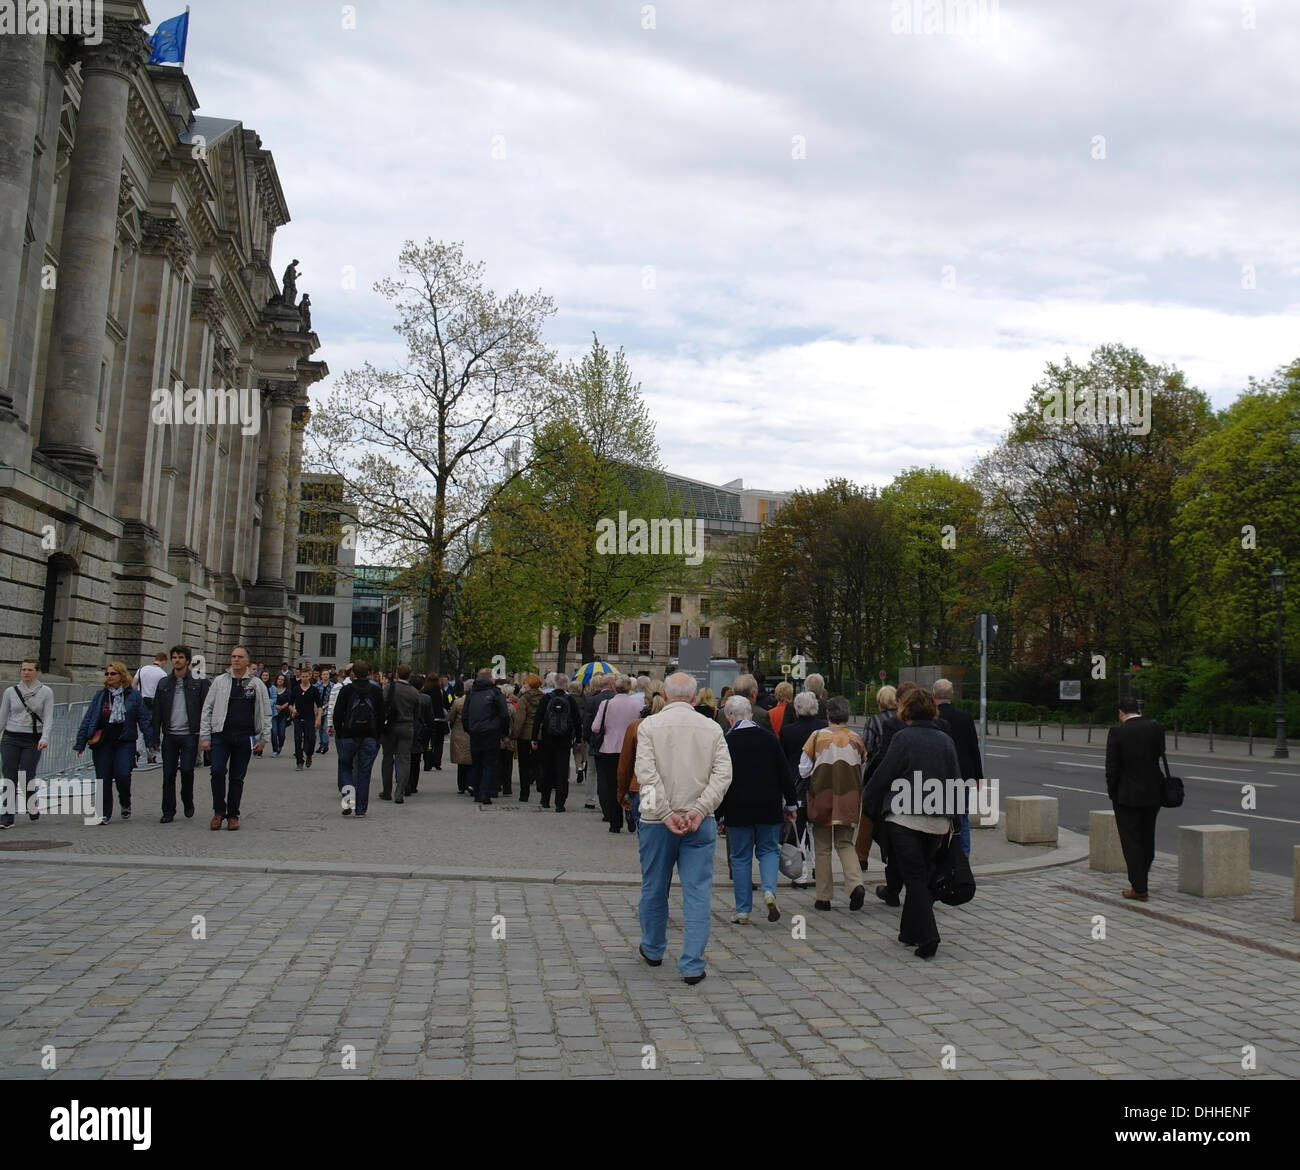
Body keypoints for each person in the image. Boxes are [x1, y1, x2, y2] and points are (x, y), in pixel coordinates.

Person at [634, 672, 732, 985]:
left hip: (657, 821)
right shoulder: (712, 728)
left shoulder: (650, 725)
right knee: (698, 892)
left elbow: (646, 775)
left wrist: (664, 813)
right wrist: (701, 809)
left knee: (654, 886)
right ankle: (692, 963)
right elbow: (723, 776)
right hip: (699, 821)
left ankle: (653, 947)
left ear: (663, 692)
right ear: (693, 697)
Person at [863, 686, 961, 959]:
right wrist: (956, 818)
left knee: (915, 877)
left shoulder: (903, 738)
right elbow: (955, 781)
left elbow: (883, 775)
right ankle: (908, 931)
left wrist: (868, 803)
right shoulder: (945, 740)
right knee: (919, 873)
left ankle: (929, 936)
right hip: (937, 821)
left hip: (904, 817)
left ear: (905, 710)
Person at [719, 694, 798, 925]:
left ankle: (743, 910)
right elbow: (785, 774)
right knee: (768, 851)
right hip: (768, 805)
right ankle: (769, 891)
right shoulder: (769, 739)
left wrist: (719, 812)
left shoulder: (727, 742)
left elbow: (721, 779)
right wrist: (791, 804)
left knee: (741, 857)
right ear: (751, 716)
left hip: (738, 807)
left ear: (729, 717)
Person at [799, 696, 867, 912]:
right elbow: (863, 763)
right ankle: (855, 884)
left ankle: (823, 897)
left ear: (827, 715)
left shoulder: (817, 737)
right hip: (849, 799)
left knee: (822, 848)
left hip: (822, 797)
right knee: (845, 844)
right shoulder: (857, 738)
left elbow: (803, 770)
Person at [199, 646, 271, 831]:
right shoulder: (220, 682)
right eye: (233, 657)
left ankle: (233, 814)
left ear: (247, 661)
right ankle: (218, 811)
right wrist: (205, 736)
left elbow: (265, 713)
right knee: (216, 771)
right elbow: (207, 708)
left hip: (244, 736)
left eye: (240, 657)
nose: (236, 660)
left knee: (237, 777)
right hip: (221, 734)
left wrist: (263, 739)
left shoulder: (256, 685)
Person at [1105, 697, 1167, 902]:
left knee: (1131, 840)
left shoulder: (1117, 732)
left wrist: (1113, 792)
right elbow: (1159, 754)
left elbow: (1112, 768)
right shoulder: (1156, 728)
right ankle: (1143, 875)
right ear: (1138, 711)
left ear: (1121, 713)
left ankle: (1139, 887)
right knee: (1147, 836)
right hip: (1154, 792)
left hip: (1127, 795)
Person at [75, 662, 153, 824]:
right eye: (107, 674)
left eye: (113, 674)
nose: (109, 677)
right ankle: (104, 813)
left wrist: (150, 741)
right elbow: (89, 718)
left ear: (122, 676)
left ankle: (125, 801)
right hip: (103, 743)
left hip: (125, 742)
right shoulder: (100, 695)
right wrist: (80, 742)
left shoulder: (134, 696)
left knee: (122, 774)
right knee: (103, 778)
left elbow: (144, 719)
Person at [149, 645, 210, 823]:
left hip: (190, 734)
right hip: (169, 735)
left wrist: (206, 734)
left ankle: (187, 799)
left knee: (187, 770)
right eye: (174, 657)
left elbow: (205, 709)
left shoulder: (199, 682)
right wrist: (154, 737)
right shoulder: (164, 683)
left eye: (181, 657)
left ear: (188, 661)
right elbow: (157, 712)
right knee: (168, 774)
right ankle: (168, 810)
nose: (177, 660)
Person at [1, 657, 54, 828]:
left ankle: (31, 803)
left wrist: (44, 737)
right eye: (24, 669)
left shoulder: (46, 692)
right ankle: (7, 816)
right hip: (10, 737)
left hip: (32, 739)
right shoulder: (11, 691)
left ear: (37, 672)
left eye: (30, 670)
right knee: (9, 776)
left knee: (26, 775)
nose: (26, 673)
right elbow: (3, 716)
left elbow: (48, 717)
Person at [857, 685, 905, 867]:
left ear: (880, 702)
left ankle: (861, 855)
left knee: (868, 814)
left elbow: (867, 746)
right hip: (899, 774)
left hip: (876, 772)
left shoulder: (874, 720)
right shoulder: (903, 719)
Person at [934, 678, 983, 856]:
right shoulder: (965, 717)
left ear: (934, 695)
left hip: (938, 774)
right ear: (952, 695)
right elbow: (973, 748)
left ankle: (940, 856)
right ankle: (963, 858)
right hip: (963, 774)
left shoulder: (932, 717)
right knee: (962, 818)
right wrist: (979, 776)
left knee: (938, 815)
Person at [330, 660, 385, 818]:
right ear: (368, 673)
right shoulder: (376, 690)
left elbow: (338, 713)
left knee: (346, 767)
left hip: (348, 734)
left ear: (353, 673)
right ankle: (361, 809)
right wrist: (378, 736)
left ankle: (348, 801)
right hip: (369, 735)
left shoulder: (346, 690)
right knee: (364, 772)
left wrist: (340, 732)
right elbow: (382, 715)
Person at [592, 676, 644, 832]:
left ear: (613, 687)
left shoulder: (606, 704)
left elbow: (595, 727)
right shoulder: (637, 704)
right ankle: (630, 812)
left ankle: (615, 822)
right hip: (632, 748)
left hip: (609, 748)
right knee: (629, 783)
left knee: (612, 785)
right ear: (629, 688)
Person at [531, 673, 582, 812]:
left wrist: (534, 738)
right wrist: (578, 739)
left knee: (547, 768)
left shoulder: (546, 698)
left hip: (547, 739)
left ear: (554, 684)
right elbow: (577, 721)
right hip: (564, 741)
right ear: (566, 685)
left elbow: (538, 719)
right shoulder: (570, 700)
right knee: (562, 771)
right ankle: (560, 803)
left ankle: (545, 799)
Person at [463, 668, 509, 804]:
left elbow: (465, 714)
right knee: (489, 764)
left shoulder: (472, 693)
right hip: (491, 732)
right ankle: (485, 793)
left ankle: (477, 792)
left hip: (475, 732)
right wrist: (504, 732)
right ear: (491, 679)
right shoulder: (495, 693)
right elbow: (504, 714)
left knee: (476, 763)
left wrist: (469, 729)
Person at [618, 694, 664, 832]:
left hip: (644, 786)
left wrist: (622, 793)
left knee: (647, 829)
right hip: (669, 787)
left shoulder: (637, 726)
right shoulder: (674, 727)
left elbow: (626, 763)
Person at [379, 663, 421, 803]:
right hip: (407, 726)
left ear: (397, 674)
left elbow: (382, 705)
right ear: (410, 676)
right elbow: (417, 713)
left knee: (387, 758)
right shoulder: (414, 692)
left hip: (390, 726)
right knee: (404, 759)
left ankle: (387, 791)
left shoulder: (389, 688)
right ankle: (400, 792)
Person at [582, 675, 617, 807]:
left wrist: (587, 738)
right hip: (613, 741)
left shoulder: (592, 700)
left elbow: (587, 722)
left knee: (592, 770)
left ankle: (590, 799)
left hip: (595, 740)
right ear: (611, 685)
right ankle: (609, 801)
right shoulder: (615, 698)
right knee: (609, 773)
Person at [511, 674, 544, 802]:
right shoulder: (544, 698)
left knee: (523, 765)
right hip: (540, 735)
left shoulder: (523, 699)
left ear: (529, 685)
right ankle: (542, 789)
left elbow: (519, 720)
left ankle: (524, 794)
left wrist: (514, 734)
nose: (523, 686)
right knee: (539, 763)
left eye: (525, 684)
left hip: (525, 735)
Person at [133, 651, 168, 763]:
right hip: (154, 702)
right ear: (164, 661)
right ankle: (150, 753)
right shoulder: (162, 674)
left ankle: (137, 750)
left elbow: (133, 684)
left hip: (140, 700)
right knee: (152, 728)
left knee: (139, 727)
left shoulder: (142, 669)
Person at [289, 667, 322, 771]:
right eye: (302, 676)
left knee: (311, 739)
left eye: (306, 676)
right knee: (298, 740)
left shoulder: (314, 690)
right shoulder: (296, 689)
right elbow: (290, 704)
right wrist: (292, 710)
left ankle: (309, 754)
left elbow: (319, 705)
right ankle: (299, 761)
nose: (304, 678)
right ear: (300, 677)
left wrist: (318, 718)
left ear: (310, 676)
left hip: (310, 718)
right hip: (298, 717)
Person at [406, 674, 434, 795]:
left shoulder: (405, 695)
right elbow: (430, 717)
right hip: (419, 730)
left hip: (407, 727)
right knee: (416, 759)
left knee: (405, 758)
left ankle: (405, 782)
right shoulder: (426, 699)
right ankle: (413, 784)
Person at [448, 688, 472, 794]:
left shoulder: (458, 702)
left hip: (459, 732)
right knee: (471, 759)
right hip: (471, 732)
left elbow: (451, 717)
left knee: (461, 761)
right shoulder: (475, 701)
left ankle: (461, 785)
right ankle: (470, 783)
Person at [423, 675, 449, 772]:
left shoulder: (425, 691)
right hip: (439, 719)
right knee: (439, 742)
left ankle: (428, 762)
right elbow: (447, 703)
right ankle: (437, 761)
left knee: (428, 742)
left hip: (429, 719)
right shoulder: (441, 691)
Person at [270, 673, 291, 757]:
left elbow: (289, 701)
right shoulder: (272, 689)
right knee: (274, 732)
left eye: (282, 680)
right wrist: (275, 706)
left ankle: (280, 745)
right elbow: (269, 699)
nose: (280, 681)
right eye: (279, 679)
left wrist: (282, 707)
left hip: (283, 713)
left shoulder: (287, 690)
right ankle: (275, 750)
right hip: (274, 713)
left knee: (281, 733)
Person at [317, 672, 335, 755]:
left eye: (327, 674)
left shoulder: (332, 686)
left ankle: (325, 744)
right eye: (324, 674)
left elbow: (333, 698)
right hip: (319, 708)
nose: (325, 676)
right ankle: (321, 744)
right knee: (320, 728)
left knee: (325, 727)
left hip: (328, 708)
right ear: (321, 676)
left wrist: (326, 705)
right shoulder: (317, 685)